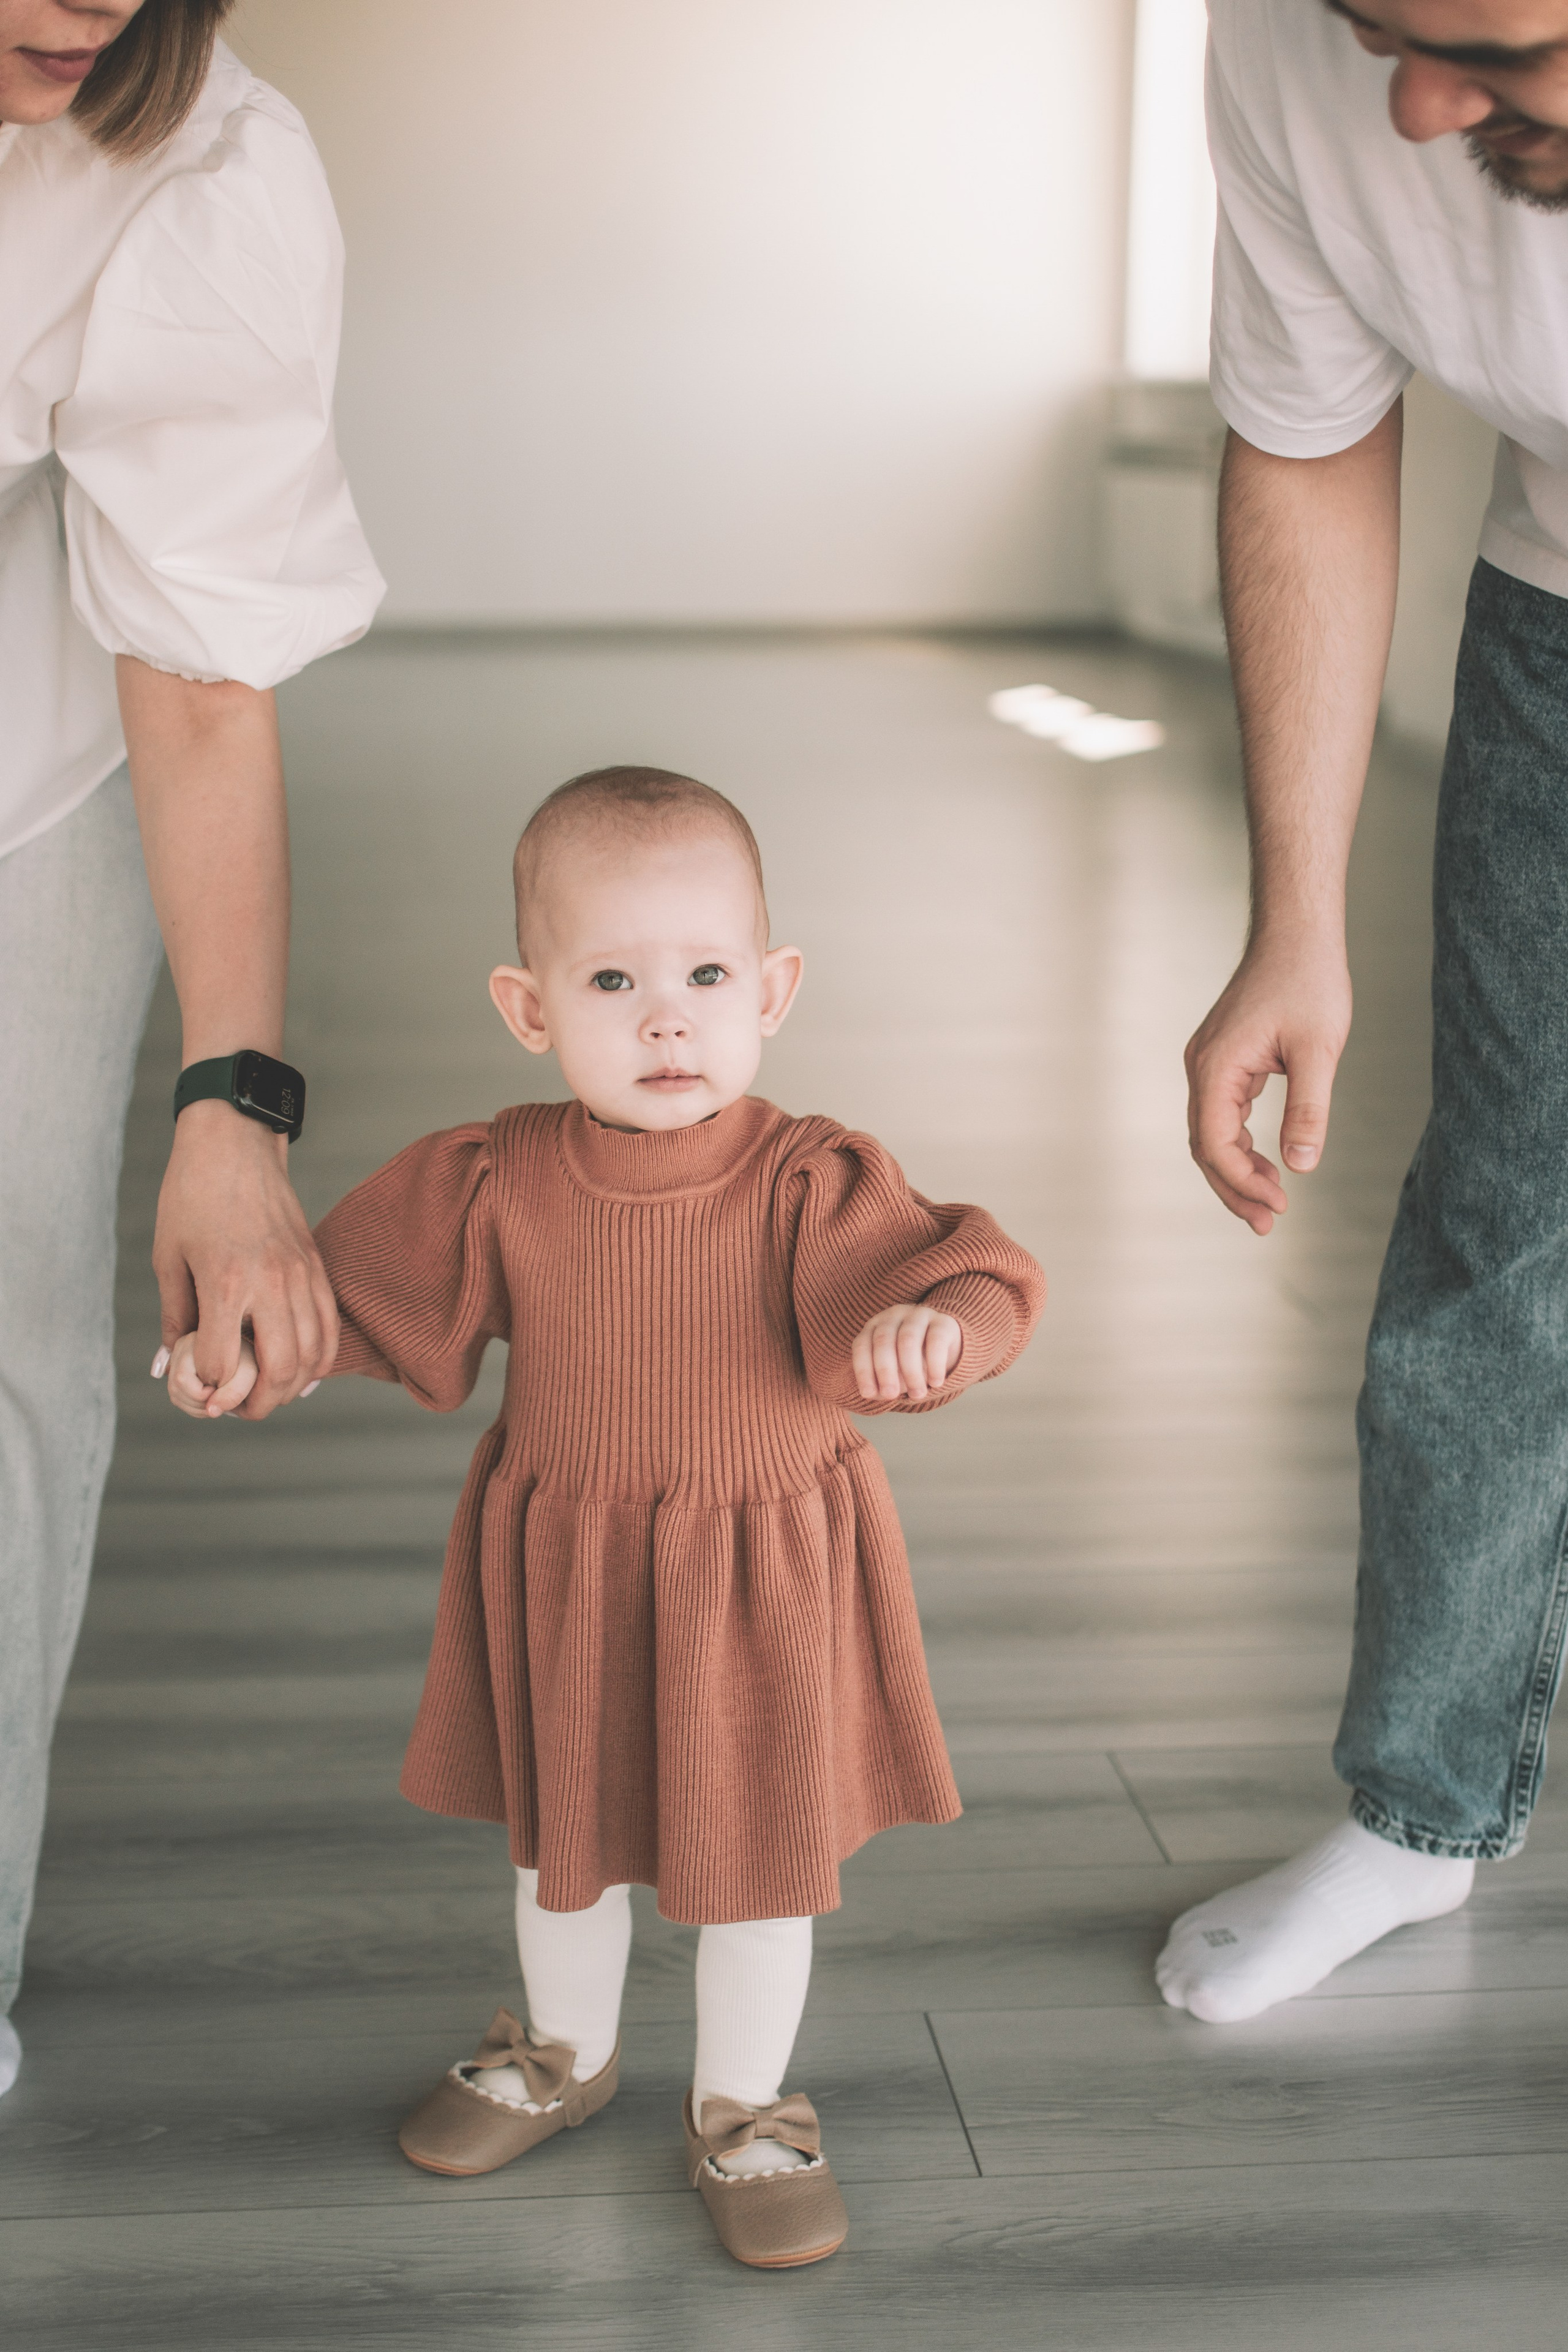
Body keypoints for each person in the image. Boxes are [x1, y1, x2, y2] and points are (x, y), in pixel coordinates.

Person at [165, 765, 1045, 2268]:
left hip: (758, 1574)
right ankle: (565, 2053)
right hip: (573, 1568)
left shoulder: (804, 1180)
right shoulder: (496, 1175)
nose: (665, 1018)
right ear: (527, 1008)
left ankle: (745, 2108)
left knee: (758, 1860)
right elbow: (360, 1304)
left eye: (706, 974)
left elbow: (967, 1270)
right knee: (557, 1841)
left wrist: (938, 1333)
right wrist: (256, 1355)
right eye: (613, 980)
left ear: (771, 988)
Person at [1159, 0, 1568, 2026]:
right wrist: (1291, 924)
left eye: (1492, 42)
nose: (1415, 106)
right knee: (1504, 1233)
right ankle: (1422, 1814)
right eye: (1380, 29)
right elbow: (1308, 439)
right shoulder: (1289, 53)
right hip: (1565, 626)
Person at [0, 0, 383, 2095]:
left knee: (7, 1341)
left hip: (24, 738)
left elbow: (202, 679)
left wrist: (235, 1109)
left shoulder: (201, 171)